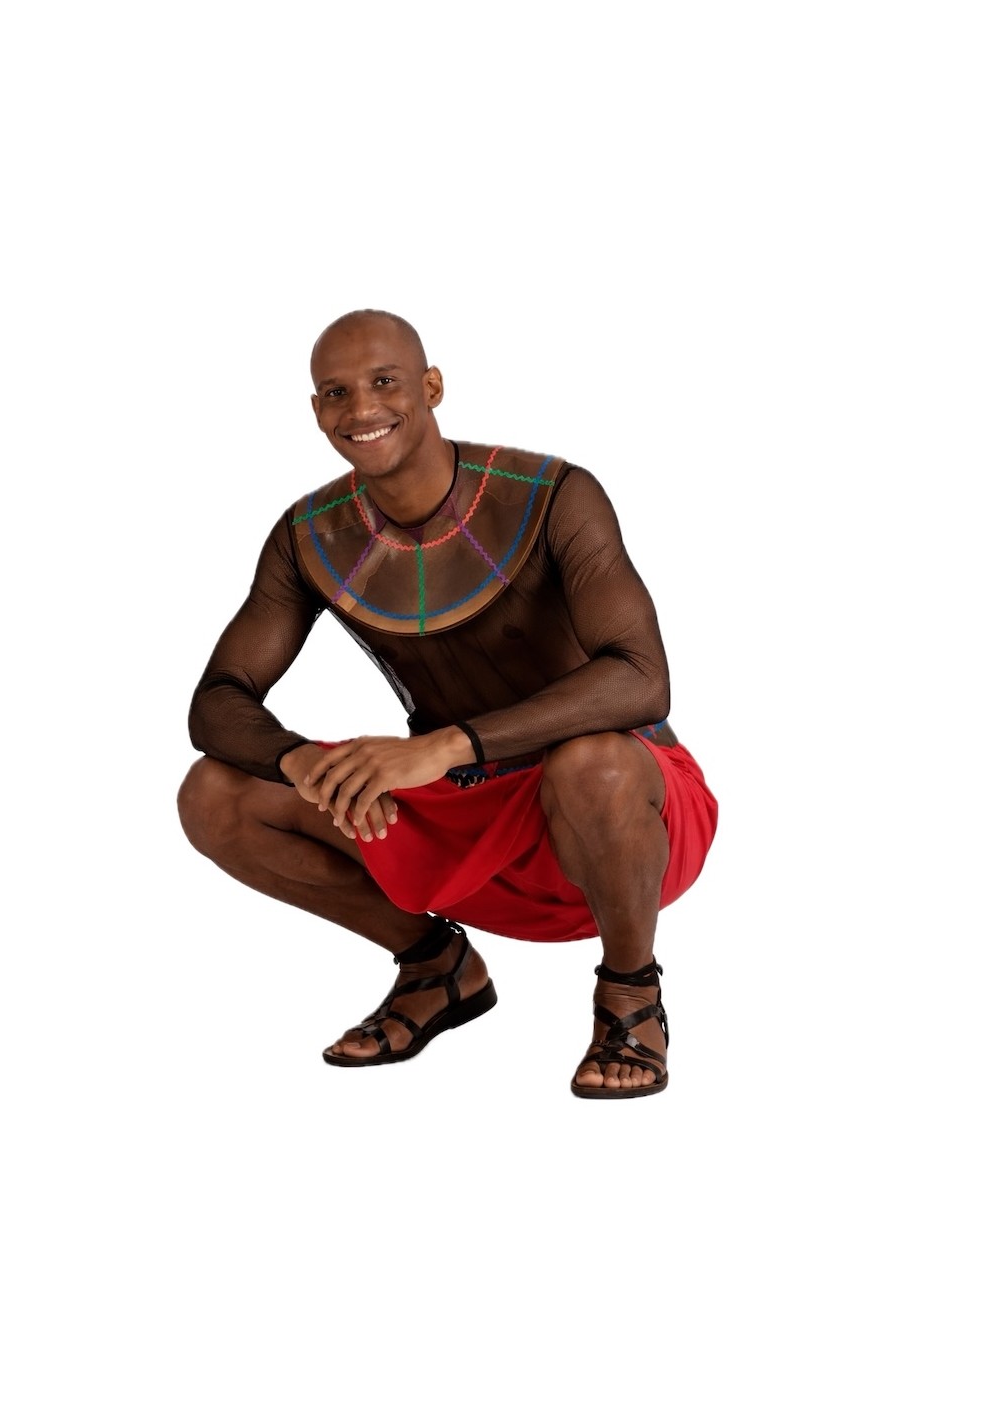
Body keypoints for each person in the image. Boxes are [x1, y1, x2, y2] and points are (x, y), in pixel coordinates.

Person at [178, 309, 717, 1098]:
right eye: (336, 392)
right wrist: (302, 764)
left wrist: (442, 745)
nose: (362, 408)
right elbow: (217, 703)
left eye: (384, 381)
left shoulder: (554, 493)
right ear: (317, 410)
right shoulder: (307, 534)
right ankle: (437, 968)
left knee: (592, 762)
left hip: (620, 818)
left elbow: (641, 679)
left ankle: (631, 998)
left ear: (431, 386)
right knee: (215, 794)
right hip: (465, 814)